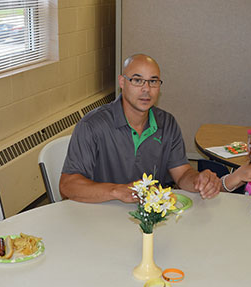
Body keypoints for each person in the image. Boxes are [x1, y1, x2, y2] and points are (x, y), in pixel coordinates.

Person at [59, 54, 221, 203]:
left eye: (153, 81)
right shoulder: (92, 125)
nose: (146, 89)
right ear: (122, 82)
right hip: (102, 213)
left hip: (151, 217)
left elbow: (182, 174)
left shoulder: (167, 123)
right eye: (137, 80)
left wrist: (199, 180)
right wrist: (117, 191)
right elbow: (67, 185)